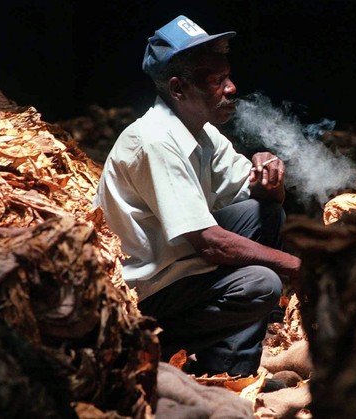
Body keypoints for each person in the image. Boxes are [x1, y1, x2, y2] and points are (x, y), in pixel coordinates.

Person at [93, 15, 301, 377]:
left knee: (265, 214)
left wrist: (270, 178)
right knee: (261, 283)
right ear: (178, 89)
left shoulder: (202, 133)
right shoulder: (155, 140)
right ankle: (144, 347)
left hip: (181, 268)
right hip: (144, 289)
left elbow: (263, 200)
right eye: (217, 81)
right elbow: (209, 243)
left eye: (229, 76)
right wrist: (295, 266)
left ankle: (229, 368)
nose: (232, 88)